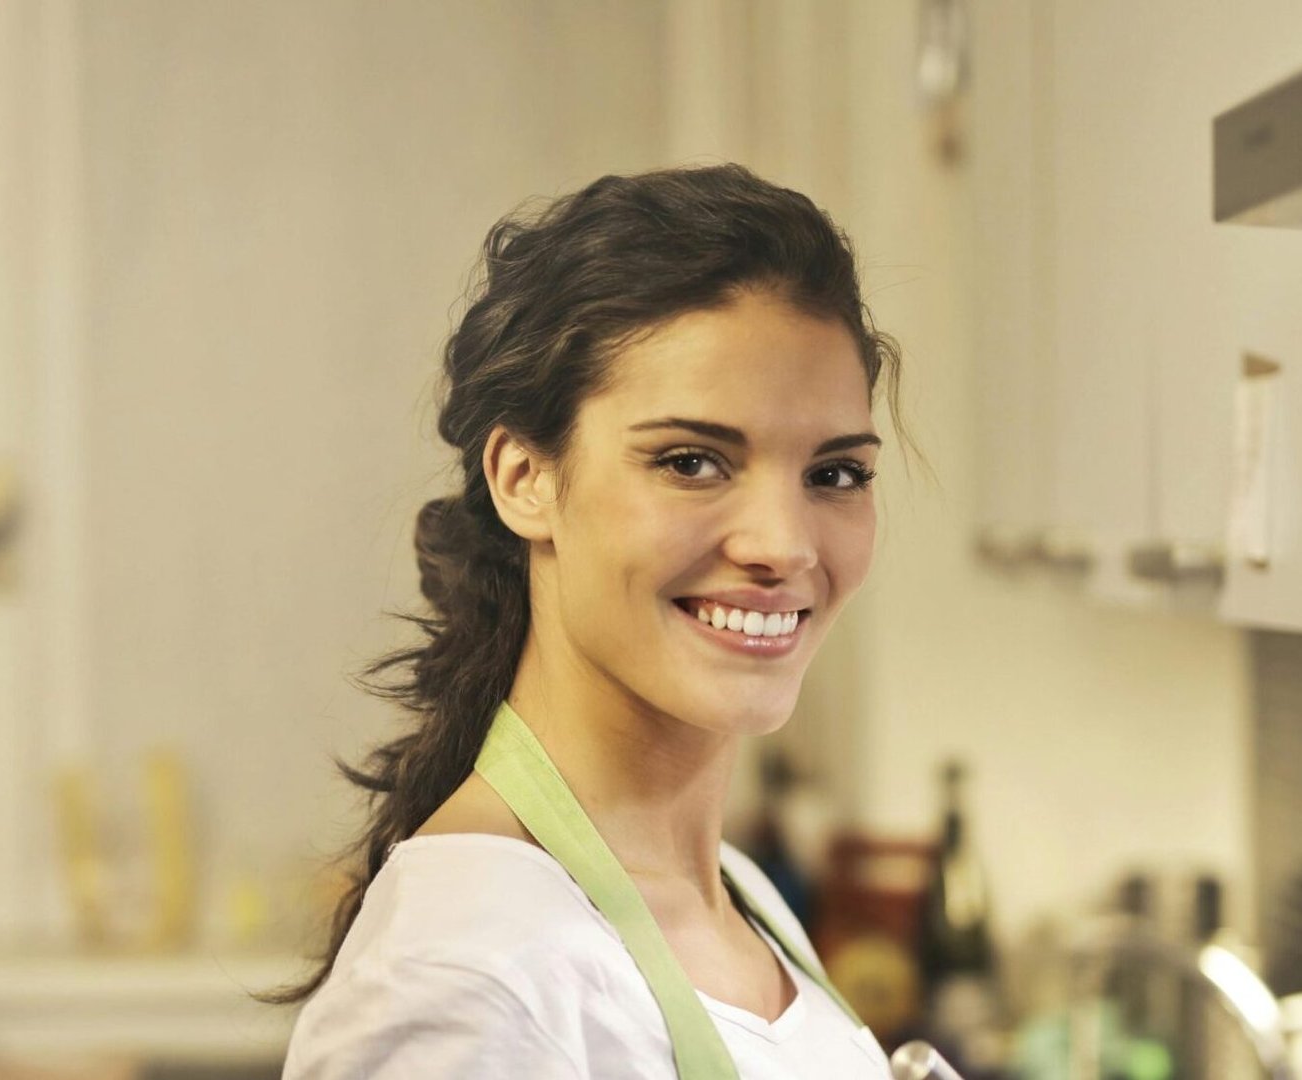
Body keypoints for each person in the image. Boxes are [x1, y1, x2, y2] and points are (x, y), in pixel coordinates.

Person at [270, 162, 917, 1078]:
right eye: (692, 461)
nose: (784, 545)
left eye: (834, 474)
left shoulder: (739, 897)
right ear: (523, 480)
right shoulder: (467, 980)